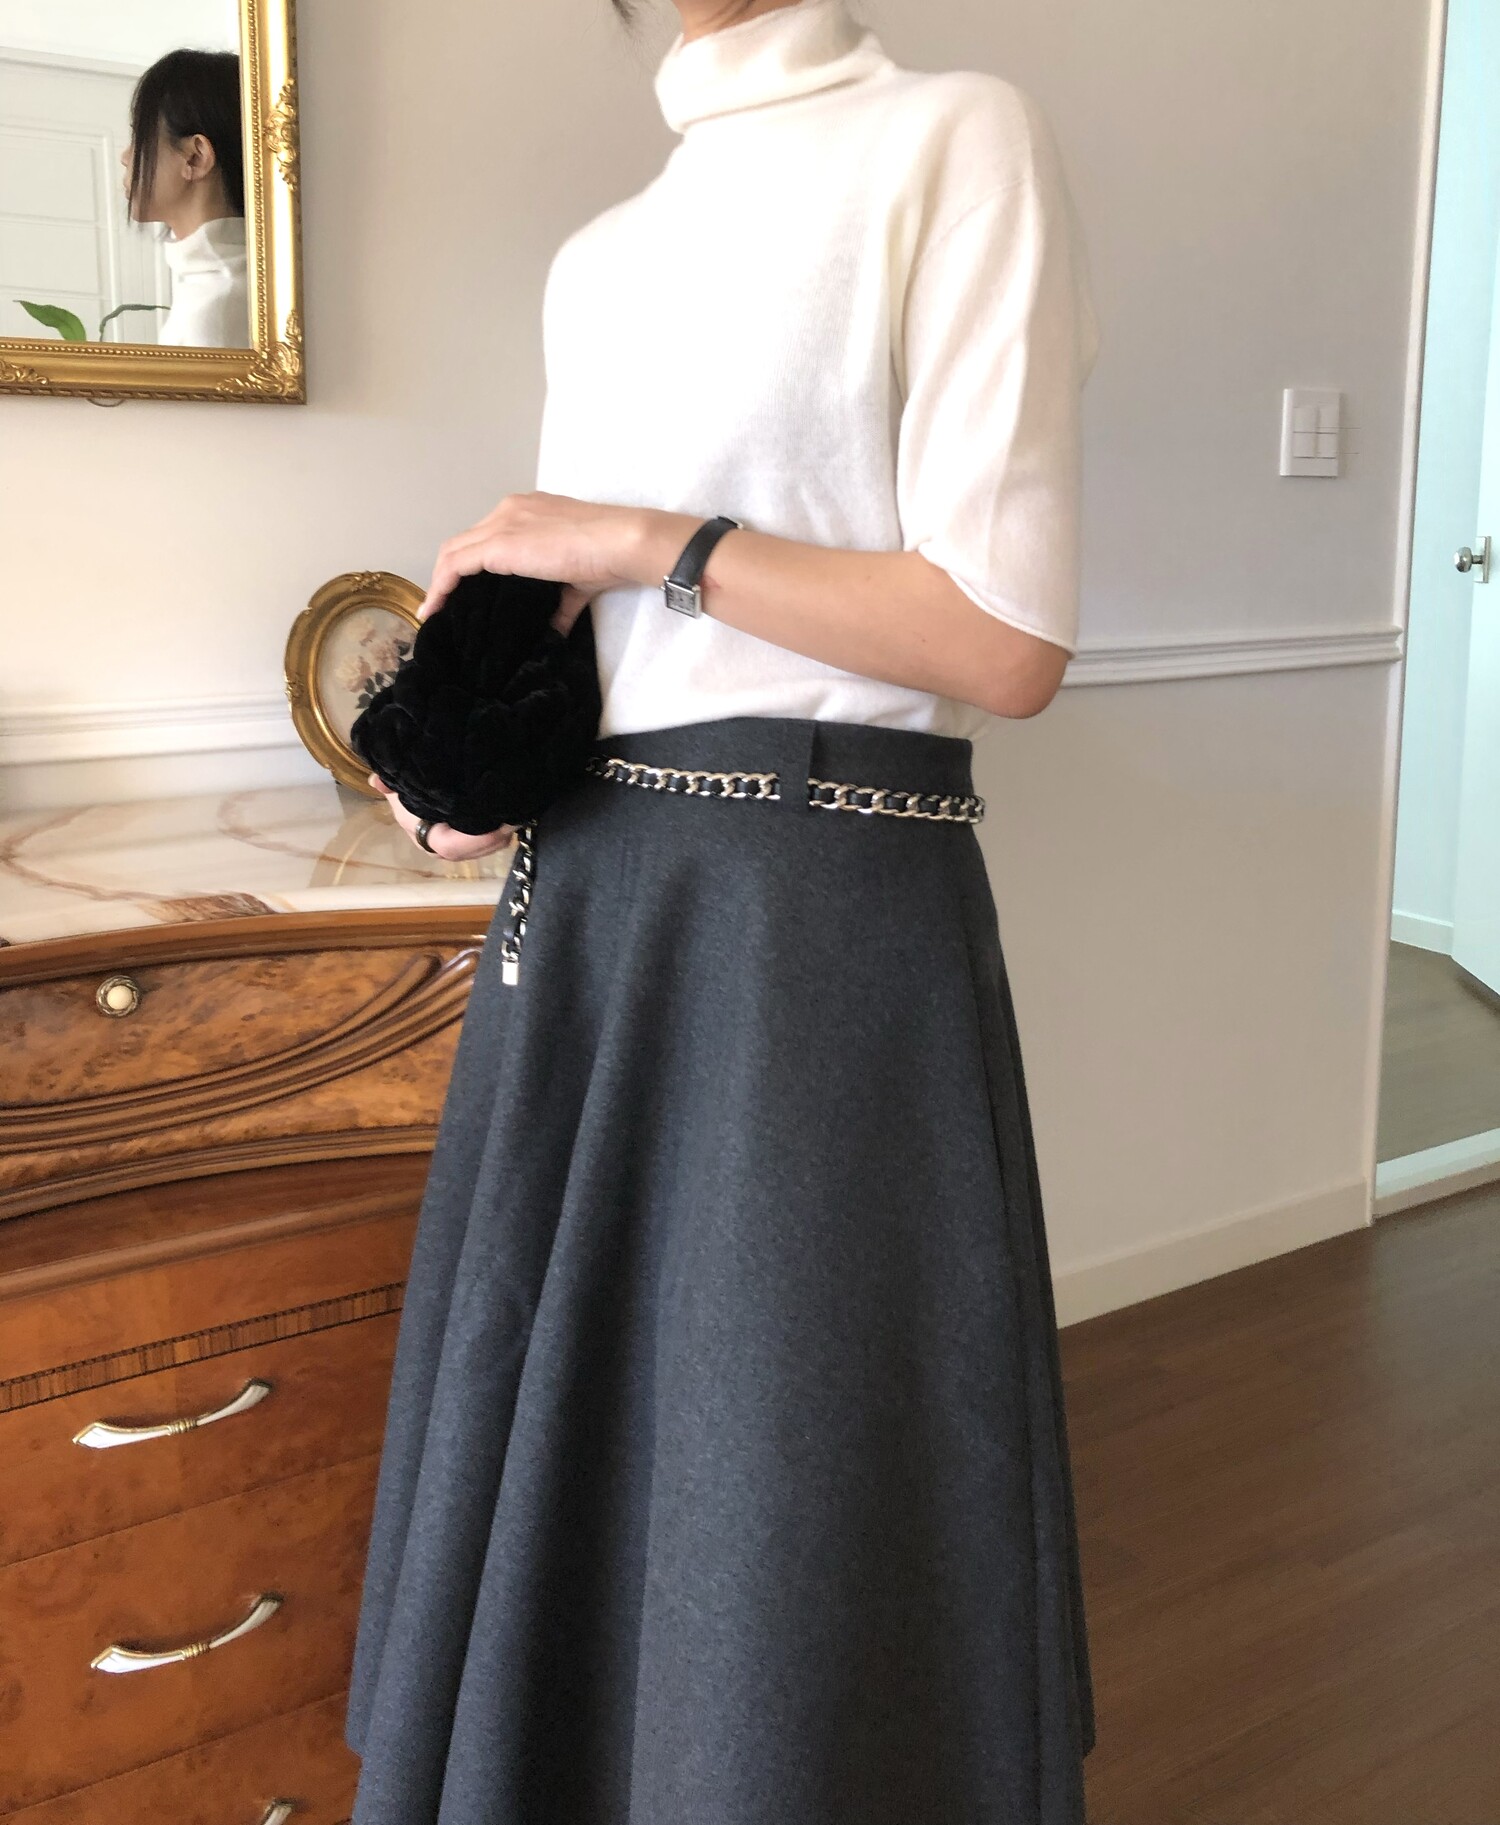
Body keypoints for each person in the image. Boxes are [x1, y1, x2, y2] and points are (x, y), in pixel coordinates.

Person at [347, 0, 1103, 1819]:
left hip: (817, 917)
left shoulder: (954, 137)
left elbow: (1003, 639)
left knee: (785, 1481)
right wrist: (481, 755)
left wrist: (638, 538)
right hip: (590, 903)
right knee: (588, 1489)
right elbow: (623, 646)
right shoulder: (601, 256)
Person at [119, 48, 250, 348]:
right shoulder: (215, 285)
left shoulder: (218, 305)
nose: (125, 156)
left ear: (195, 157)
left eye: (140, 137)